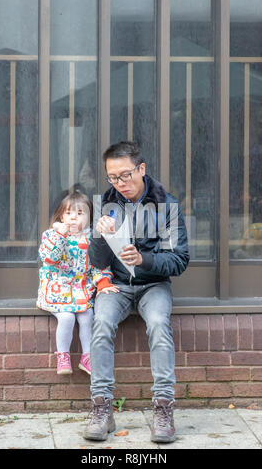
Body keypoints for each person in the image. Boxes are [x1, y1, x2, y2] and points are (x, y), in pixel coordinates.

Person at [83, 141, 189, 443]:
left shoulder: (166, 205)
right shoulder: (106, 204)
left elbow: (179, 260)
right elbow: (98, 261)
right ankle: (102, 407)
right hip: (116, 285)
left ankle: (163, 407)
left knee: (158, 323)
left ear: (141, 169)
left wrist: (145, 259)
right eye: (113, 177)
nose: (120, 183)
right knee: (100, 323)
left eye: (125, 175)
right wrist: (101, 237)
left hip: (153, 284)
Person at [36, 191, 119, 376]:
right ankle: (63, 356)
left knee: (87, 316)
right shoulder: (51, 235)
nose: (73, 218)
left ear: (90, 219)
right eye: (68, 213)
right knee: (66, 318)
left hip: (80, 291)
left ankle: (87, 357)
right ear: (60, 217)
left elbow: (98, 264)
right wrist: (59, 235)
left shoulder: (91, 240)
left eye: (80, 213)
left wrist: (103, 282)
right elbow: (49, 259)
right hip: (57, 289)